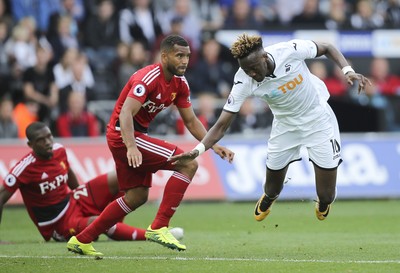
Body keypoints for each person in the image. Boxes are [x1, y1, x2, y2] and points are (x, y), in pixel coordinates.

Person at [170, 33, 371, 223]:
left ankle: (324, 203)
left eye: (254, 68)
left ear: (265, 57)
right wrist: (197, 151)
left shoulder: (289, 51)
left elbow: (327, 47)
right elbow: (222, 124)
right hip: (285, 126)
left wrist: (348, 71)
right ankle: (268, 198)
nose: (252, 73)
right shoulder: (243, 79)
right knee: (272, 188)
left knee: (326, 195)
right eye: (247, 70)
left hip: (318, 120)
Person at [66, 35, 234, 257]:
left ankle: (81, 240)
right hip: (123, 135)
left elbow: (191, 121)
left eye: (187, 56)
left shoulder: (180, 83)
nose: (184, 61)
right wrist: (132, 146)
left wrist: (214, 145)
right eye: (179, 55)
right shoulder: (148, 78)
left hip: (129, 137)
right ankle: (159, 226)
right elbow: (126, 113)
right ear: (164, 56)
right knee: (188, 164)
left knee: (136, 196)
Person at [0, 122, 184, 243]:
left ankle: (117, 227)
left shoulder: (58, 150)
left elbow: (68, 171)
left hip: (73, 200)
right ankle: (149, 236)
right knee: (99, 222)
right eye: (41, 141)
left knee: (119, 179)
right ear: (30, 145)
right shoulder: (24, 168)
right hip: (58, 223)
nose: (48, 142)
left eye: (49, 137)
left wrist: (78, 191)